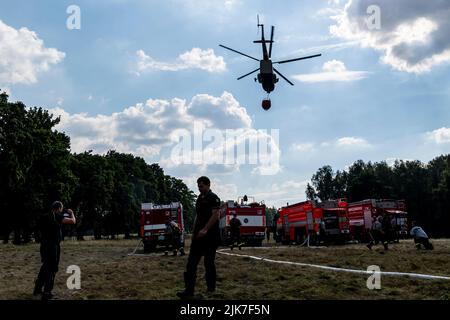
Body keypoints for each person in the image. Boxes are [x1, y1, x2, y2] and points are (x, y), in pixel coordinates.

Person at [177, 176, 221, 298]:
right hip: (198, 237)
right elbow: (198, 216)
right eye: (198, 186)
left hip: (211, 237)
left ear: (208, 185)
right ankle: (188, 291)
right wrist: (194, 232)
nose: (199, 188)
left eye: (201, 186)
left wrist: (205, 229)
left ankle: (211, 288)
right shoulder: (199, 198)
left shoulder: (214, 198)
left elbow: (216, 215)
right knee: (191, 263)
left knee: (208, 263)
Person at [33, 202, 76, 300]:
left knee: (45, 267)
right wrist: (72, 213)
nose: (61, 211)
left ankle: (37, 289)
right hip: (53, 246)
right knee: (52, 268)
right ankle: (47, 292)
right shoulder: (56, 215)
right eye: (61, 209)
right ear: (59, 208)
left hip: (44, 245)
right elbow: (72, 221)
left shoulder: (44, 217)